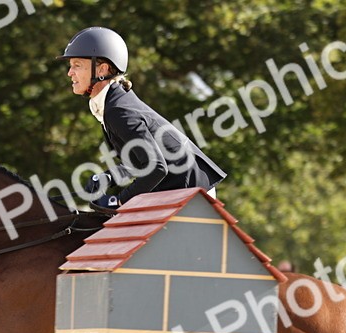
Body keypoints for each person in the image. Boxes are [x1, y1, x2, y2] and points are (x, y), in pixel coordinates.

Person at [58, 27, 226, 212]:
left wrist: (119, 201)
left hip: (191, 193)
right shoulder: (113, 104)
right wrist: (110, 177)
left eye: (77, 65)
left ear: (102, 69)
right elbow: (140, 161)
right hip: (179, 189)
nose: (69, 73)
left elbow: (156, 168)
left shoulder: (118, 110)